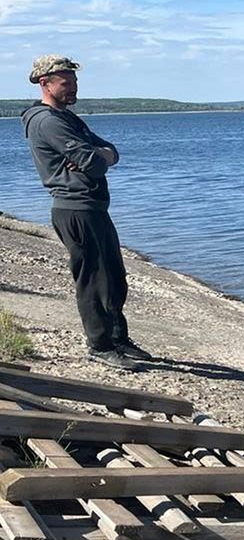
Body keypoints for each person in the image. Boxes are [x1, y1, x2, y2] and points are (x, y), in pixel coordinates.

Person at [20, 55, 151, 371]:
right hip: (74, 208)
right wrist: (96, 157)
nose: (73, 87)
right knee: (92, 280)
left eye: (74, 81)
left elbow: (108, 151)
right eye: (66, 82)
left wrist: (99, 155)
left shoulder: (68, 119)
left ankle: (118, 338)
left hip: (93, 207)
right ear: (45, 83)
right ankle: (100, 345)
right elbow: (92, 163)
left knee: (115, 279)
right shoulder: (47, 121)